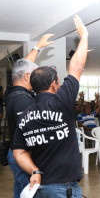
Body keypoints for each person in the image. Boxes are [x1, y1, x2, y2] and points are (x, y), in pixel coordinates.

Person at [13, 15, 88, 197]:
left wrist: (34, 171)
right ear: (54, 84)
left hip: (41, 188)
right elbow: (76, 68)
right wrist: (84, 36)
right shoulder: (61, 103)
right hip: (64, 189)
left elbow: (19, 152)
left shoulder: (25, 116)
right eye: (58, 81)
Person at [3, 34, 54, 198]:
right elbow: (31, 135)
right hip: (24, 155)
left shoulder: (12, 91)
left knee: (20, 190)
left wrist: (37, 46)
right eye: (33, 75)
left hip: (14, 152)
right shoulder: (23, 101)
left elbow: (22, 68)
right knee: (30, 192)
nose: (36, 78)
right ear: (26, 77)